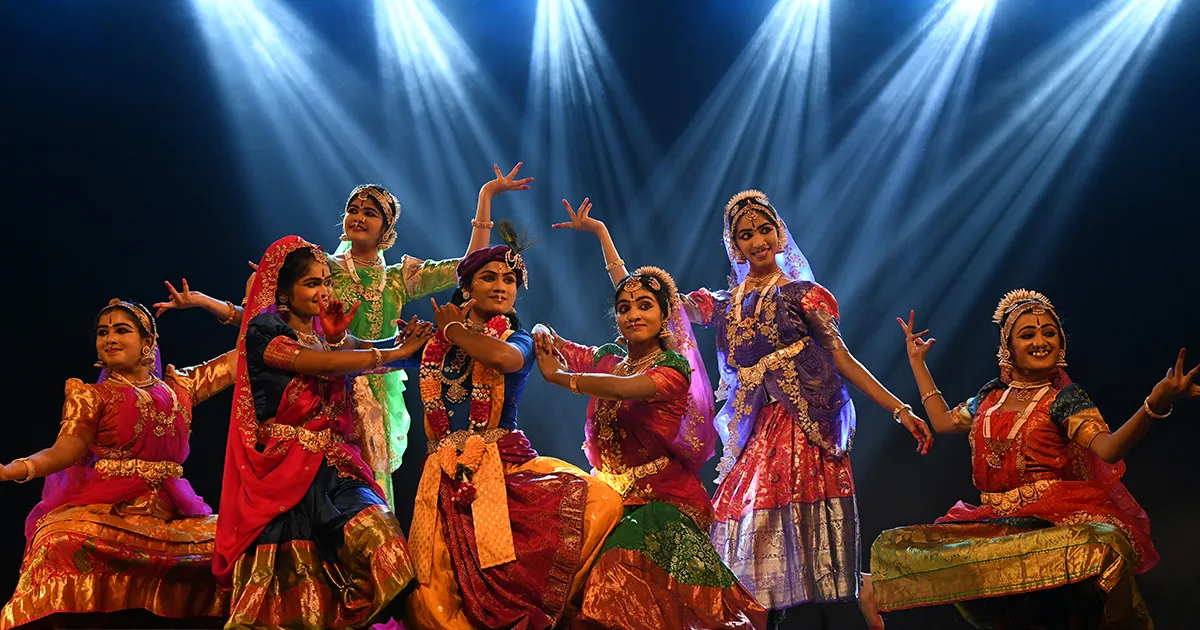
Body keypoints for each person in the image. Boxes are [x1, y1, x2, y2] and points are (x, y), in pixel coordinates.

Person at [154, 164, 533, 507]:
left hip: (378, 386)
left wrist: (485, 197)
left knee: (374, 479)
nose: (358, 217)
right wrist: (209, 303)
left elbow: (470, 267)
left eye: (370, 213)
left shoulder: (401, 277)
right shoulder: (321, 269)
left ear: (387, 229)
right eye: (353, 210)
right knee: (323, 476)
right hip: (324, 380)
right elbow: (267, 321)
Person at [677, 190, 932, 628]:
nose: (756, 240)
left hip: (806, 427)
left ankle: (857, 589)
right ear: (733, 245)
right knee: (741, 530)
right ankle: (854, 588)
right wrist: (607, 244)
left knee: (798, 545)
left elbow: (843, 359)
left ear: (779, 235)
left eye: (763, 230)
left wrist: (900, 409)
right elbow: (660, 303)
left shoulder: (804, 296)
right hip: (758, 430)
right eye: (745, 235)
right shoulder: (724, 304)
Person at [870, 290, 1196, 629]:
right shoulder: (990, 397)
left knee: (1103, 547)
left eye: (1049, 333)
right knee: (896, 546)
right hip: (993, 523)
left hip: (1049, 523)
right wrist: (917, 363)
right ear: (1007, 348)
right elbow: (941, 421)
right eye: (1028, 334)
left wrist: (1154, 405)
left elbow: (1109, 450)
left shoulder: (1064, 400)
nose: (1041, 341)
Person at [534, 200, 766, 628]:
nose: (633, 314)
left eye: (645, 305)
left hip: (664, 504)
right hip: (609, 501)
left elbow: (626, 390)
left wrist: (564, 379)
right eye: (624, 308)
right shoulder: (609, 359)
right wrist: (540, 333)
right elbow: (565, 347)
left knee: (616, 578)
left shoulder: (672, 370)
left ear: (665, 318)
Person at [399, 224, 624, 630]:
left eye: (509, 279)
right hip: (443, 475)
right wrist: (343, 338)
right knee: (439, 607)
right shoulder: (435, 345)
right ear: (465, 288)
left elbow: (506, 360)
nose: (502, 285)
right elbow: (386, 356)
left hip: (506, 468)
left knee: (602, 504)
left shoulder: (516, 337)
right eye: (489, 277)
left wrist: (453, 329)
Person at [214, 235, 434, 629]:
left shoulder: (322, 335)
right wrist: (392, 353)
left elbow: (367, 351)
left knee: (386, 546)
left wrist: (411, 342)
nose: (324, 291)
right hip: (284, 475)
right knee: (300, 599)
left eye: (326, 281)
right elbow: (321, 364)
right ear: (283, 291)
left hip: (334, 467)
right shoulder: (264, 331)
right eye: (312, 283)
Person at [0, 299, 234, 629]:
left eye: (121, 330)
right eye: (102, 332)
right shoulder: (91, 397)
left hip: (174, 515)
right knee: (57, 539)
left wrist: (206, 303)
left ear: (148, 343)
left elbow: (246, 353)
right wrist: (10, 469)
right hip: (113, 512)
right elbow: (65, 450)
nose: (109, 339)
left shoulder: (182, 387)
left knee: (237, 542)